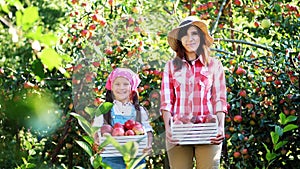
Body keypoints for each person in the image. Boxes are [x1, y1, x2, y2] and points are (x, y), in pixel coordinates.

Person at [160, 16, 227, 169]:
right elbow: (167, 101)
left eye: (194, 33)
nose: (189, 39)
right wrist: (168, 128)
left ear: (201, 37)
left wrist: (220, 126)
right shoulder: (171, 66)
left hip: (208, 130)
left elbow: (219, 99)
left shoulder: (214, 65)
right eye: (184, 34)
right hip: (179, 130)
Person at [92, 67, 153, 169]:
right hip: (111, 159)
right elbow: (95, 129)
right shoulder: (105, 109)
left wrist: (148, 145)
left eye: (125, 84)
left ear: (131, 87)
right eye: (117, 84)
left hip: (135, 160)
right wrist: (97, 142)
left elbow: (148, 130)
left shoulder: (139, 110)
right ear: (111, 87)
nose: (121, 88)